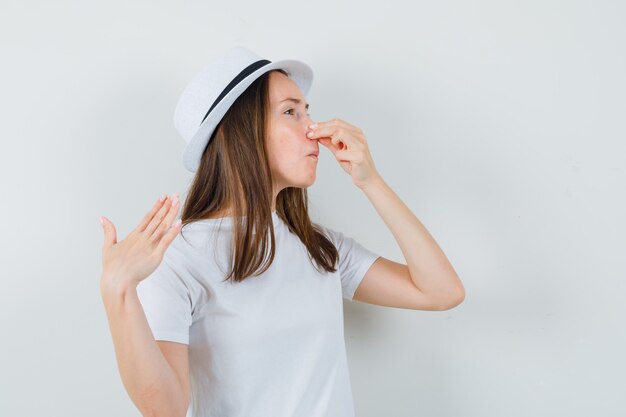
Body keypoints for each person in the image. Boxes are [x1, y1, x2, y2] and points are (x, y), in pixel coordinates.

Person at [99, 47, 465, 417]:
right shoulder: (178, 257)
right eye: (291, 111)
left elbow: (441, 291)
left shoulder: (319, 248)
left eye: (308, 111)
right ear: (239, 132)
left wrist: (371, 182)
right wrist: (119, 292)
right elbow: (166, 409)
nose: (312, 129)